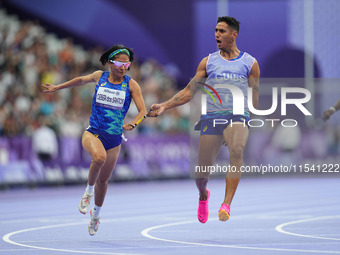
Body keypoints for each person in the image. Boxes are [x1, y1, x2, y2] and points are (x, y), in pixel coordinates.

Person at [150, 16, 260, 223]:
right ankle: (203, 195)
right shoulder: (208, 62)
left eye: (222, 31)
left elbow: (254, 96)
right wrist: (164, 105)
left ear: (234, 34)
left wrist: (247, 122)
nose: (217, 34)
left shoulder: (250, 63)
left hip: (238, 115)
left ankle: (226, 205)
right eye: (216, 31)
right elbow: (189, 91)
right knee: (201, 175)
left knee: (237, 150)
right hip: (213, 118)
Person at [42, 45, 147, 235]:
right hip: (93, 132)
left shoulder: (131, 85)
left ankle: (96, 216)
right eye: (119, 63)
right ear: (110, 62)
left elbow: (143, 111)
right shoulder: (100, 76)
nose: (123, 67)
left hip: (114, 138)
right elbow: (81, 80)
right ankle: (87, 192)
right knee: (99, 158)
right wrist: (58, 87)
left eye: (127, 64)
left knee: (104, 180)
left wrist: (133, 124)